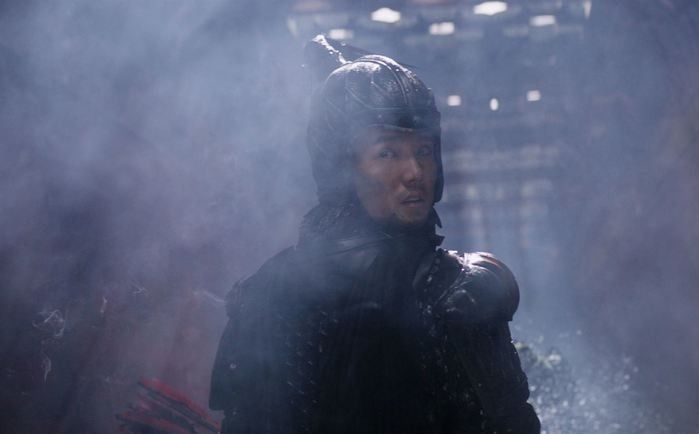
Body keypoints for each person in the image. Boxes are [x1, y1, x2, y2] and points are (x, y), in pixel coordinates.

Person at [209, 35, 540, 434]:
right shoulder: (274, 297)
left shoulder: (461, 292)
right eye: (388, 152)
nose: (414, 171)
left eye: (423, 151)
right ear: (341, 167)